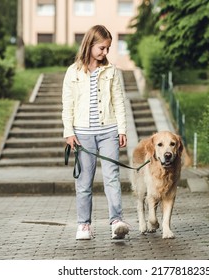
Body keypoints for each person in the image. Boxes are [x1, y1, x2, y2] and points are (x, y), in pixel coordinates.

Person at [61, 25, 130, 240]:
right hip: (82, 135)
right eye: (101, 48)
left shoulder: (111, 71)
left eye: (108, 48)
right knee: (83, 181)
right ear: (89, 44)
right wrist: (68, 132)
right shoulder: (73, 72)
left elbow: (119, 101)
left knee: (112, 177)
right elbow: (67, 104)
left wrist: (122, 129)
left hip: (108, 131)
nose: (105, 53)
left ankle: (116, 221)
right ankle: (84, 225)